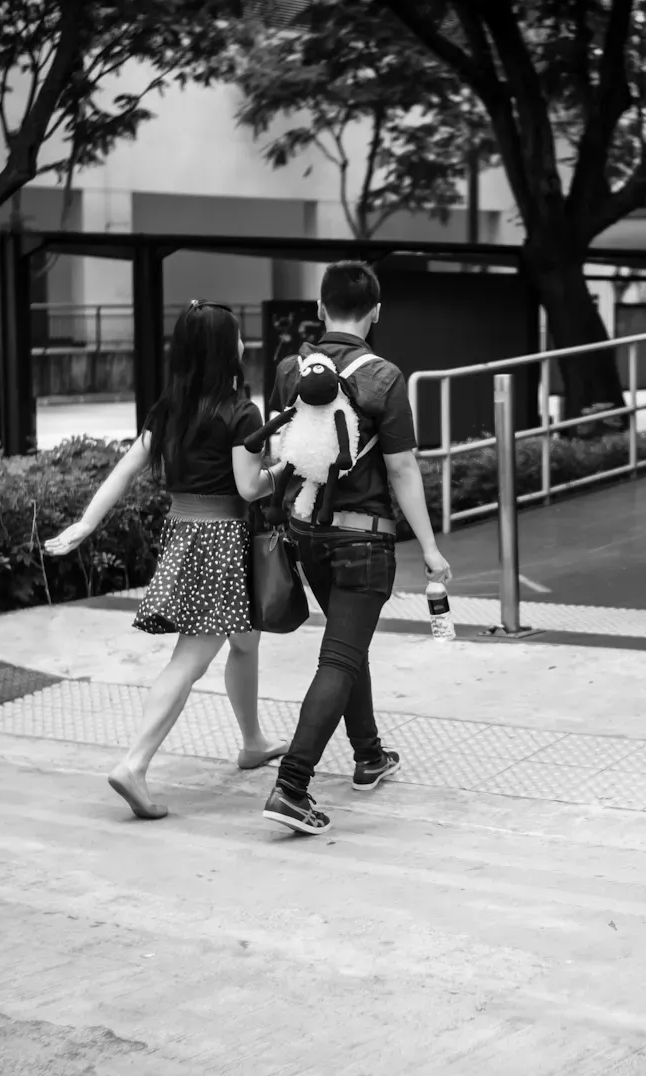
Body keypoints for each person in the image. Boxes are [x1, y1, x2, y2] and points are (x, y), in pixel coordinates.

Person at [45, 300, 287, 820]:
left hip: (185, 534)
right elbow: (249, 487)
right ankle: (133, 764)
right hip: (222, 541)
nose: (242, 342)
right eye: (237, 335)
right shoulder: (240, 412)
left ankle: (252, 742)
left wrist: (85, 523)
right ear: (224, 349)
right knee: (190, 660)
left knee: (245, 640)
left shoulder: (170, 407)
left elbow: (126, 468)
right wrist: (289, 465)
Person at [259, 261, 452, 836]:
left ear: (320, 309)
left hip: (307, 535)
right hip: (363, 540)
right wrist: (431, 548)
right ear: (376, 312)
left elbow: (279, 449)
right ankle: (292, 786)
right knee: (341, 657)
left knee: (347, 642)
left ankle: (368, 754)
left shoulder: (290, 369)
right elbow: (402, 468)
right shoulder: (384, 377)